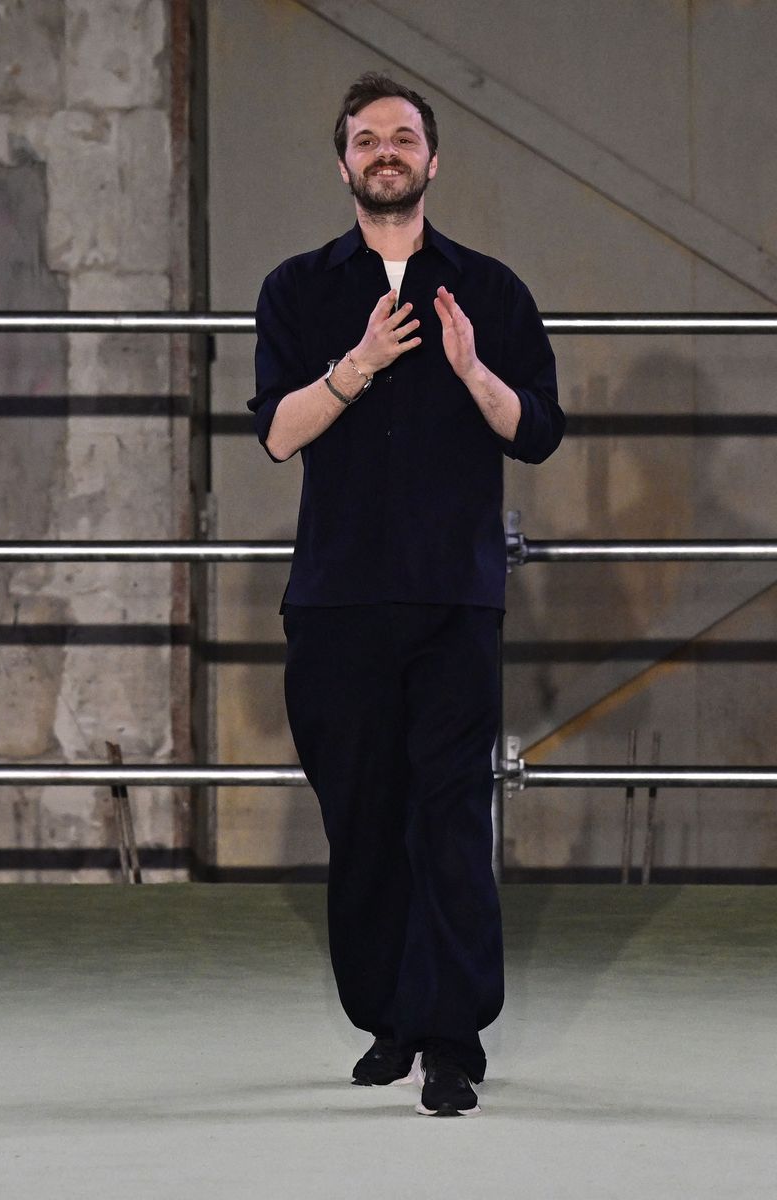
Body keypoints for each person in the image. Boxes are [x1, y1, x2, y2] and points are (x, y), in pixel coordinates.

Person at [249, 72, 564, 1117]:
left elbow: (537, 431)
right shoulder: (297, 290)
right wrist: (359, 364)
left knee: (445, 818)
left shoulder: (491, 291)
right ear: (343, 163)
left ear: (432, 161)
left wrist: (473, 371)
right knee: (364, 819)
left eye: (404, 137)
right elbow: (279, 431)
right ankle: (389, 1016)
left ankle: (452, 1039)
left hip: (450, 602)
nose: (386, 151)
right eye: (367, 138)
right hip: (337, 602)